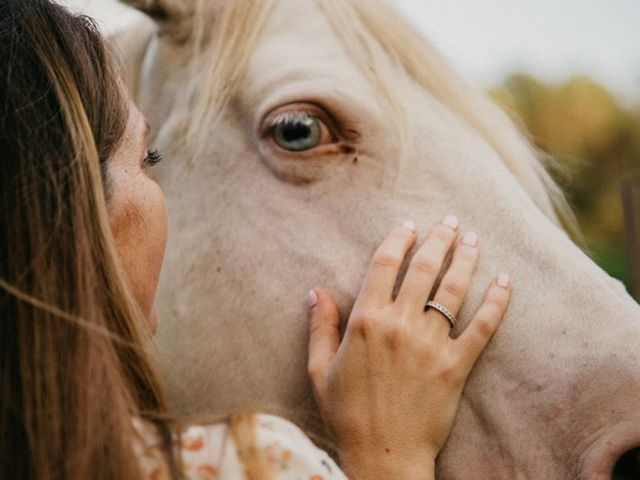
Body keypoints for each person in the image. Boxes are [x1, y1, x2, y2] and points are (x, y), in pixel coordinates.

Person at [0, 1, 511, 479]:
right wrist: (390, 458)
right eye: (145, 159)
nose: (160, 192)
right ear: (63, 203)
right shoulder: (257, 462)